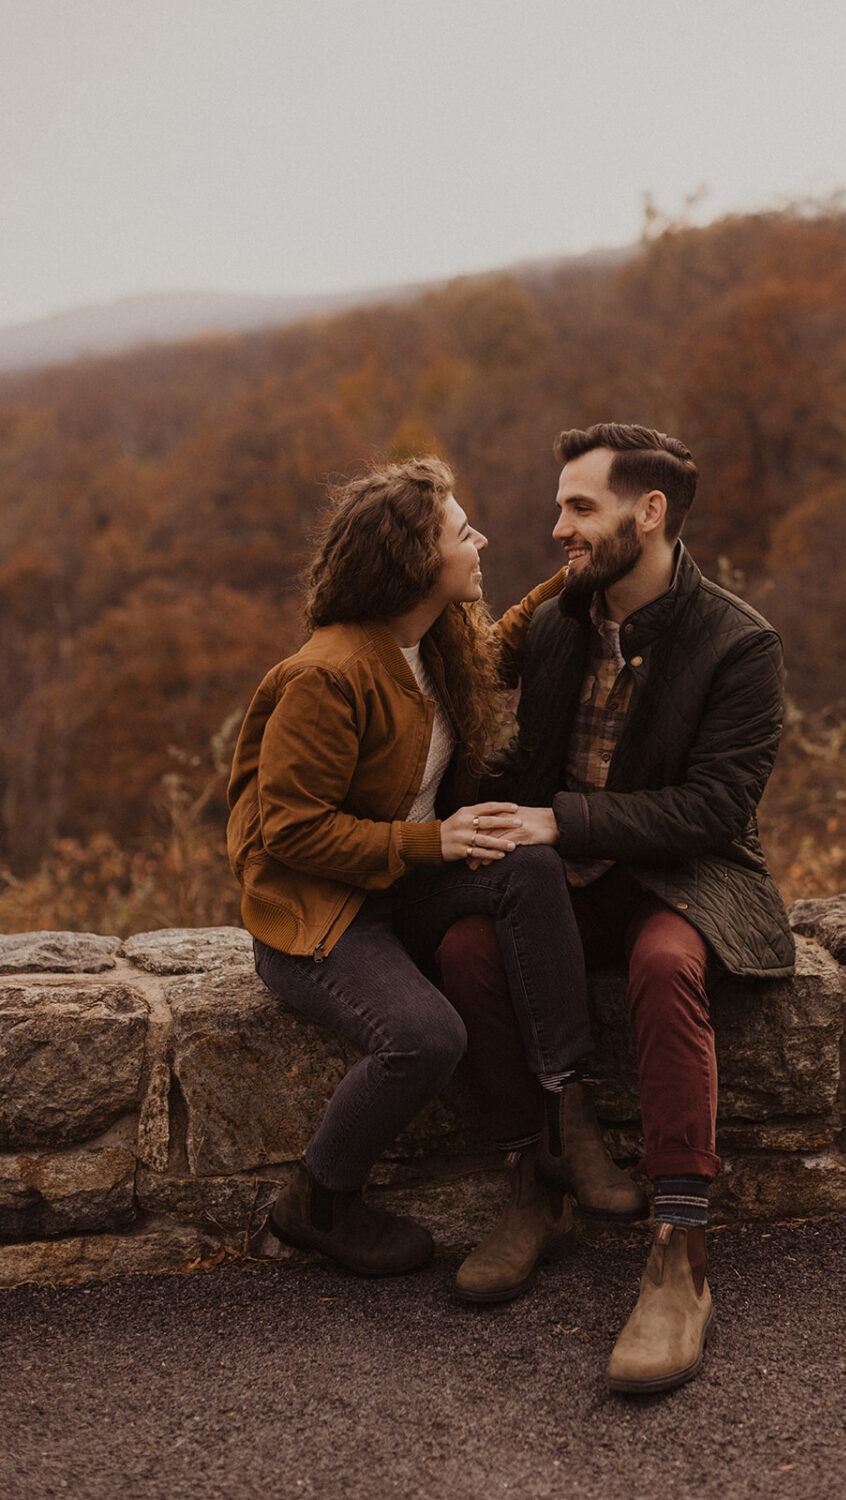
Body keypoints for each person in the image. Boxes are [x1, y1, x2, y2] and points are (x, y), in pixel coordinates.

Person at [437, 423, 795, 1389]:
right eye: (561, 506)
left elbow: (715, 809)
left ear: (651, 514)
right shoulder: (560, 624)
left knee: (666, 964)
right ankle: (536, 1181)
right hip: (573, 880)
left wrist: (562, 820)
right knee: (468, 947)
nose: (559, 527)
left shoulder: (739, 641)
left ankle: (680, 1253)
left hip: (687, 878)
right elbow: (525, 761)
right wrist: (470, 814)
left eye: (580, 508)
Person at [226, 454, 640, 1279]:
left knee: (526, 859)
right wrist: (436, 841)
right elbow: (291, 835)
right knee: (423, 1036)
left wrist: (582, 570)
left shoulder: (431, 641)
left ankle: (567, 1106)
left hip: (400, 887)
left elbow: (499, 647)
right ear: (418, 563)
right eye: (462, 532)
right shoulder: (325, 677)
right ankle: (317, 1200)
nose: (479, 540)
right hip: (323, 917)